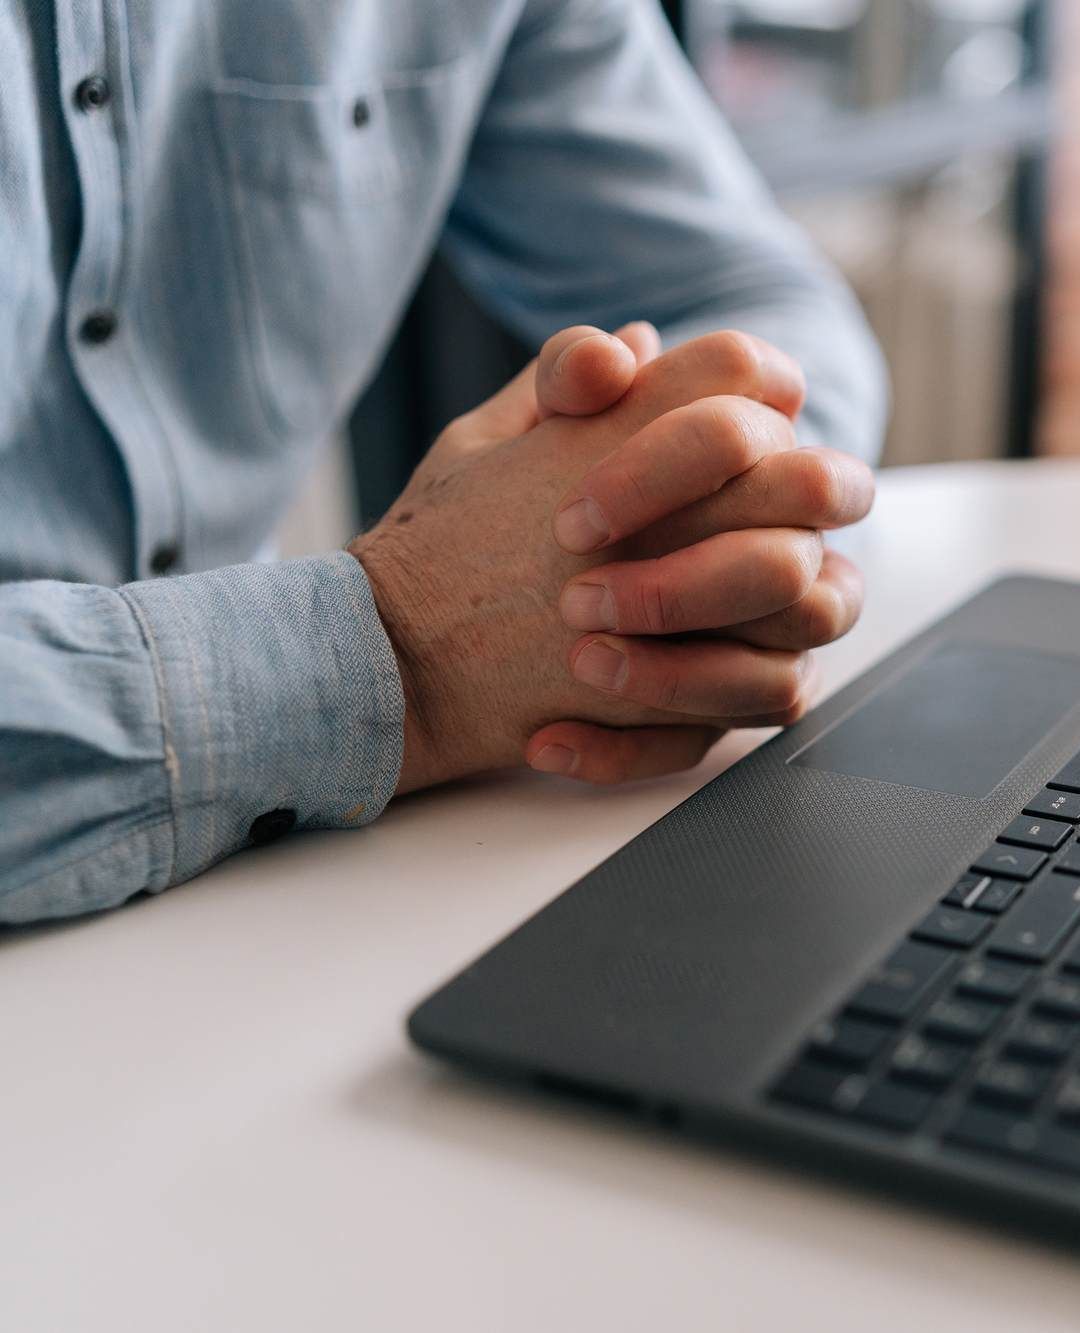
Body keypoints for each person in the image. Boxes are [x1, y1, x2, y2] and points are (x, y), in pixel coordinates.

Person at [0, 0, 888, 923]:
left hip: (278, 892)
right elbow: (412, 639)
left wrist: (689, 509)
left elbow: (752, 296)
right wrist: (400, 652)